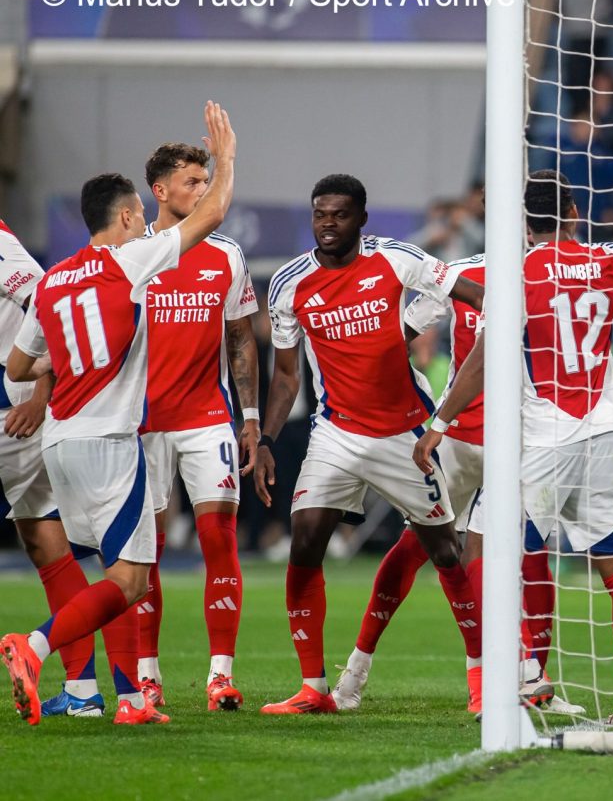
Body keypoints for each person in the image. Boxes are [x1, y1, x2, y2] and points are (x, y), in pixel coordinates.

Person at [1, 100, 237, 726]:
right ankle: (36, 645)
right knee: (131, 580)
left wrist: (65, 361)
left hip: (59, 443)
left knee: (111, 570)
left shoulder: (52, 281)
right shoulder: (130, 259)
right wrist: (228, 156)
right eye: (138, 218)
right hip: (111, 439)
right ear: (131, 215)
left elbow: (20, 368)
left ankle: (130, 700)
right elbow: (211, 213)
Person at [413, 169, 613, 724]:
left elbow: (481, 360)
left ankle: (521, 677)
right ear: (573, 211)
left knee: (497, 554)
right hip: (601, 430)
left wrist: (439, 423)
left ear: (524, 221)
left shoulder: (517, 274)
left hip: (541, 438)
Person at [254, 174, 485, 715]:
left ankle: (480, 680)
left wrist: (484, 327)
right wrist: (265, 438)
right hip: (335, 432)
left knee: (445, 552)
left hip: (404, 433)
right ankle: (314, 687)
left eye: (338, 214)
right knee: (304, 542)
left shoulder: (397, 259)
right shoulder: (289, 282)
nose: (327, 224)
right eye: (319, 214)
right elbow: (287, 376)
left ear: (361, 218)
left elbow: (469, 293)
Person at [332, 265, 581, 716]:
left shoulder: (466, 273)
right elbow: (397, 335)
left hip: (485, 440)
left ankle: (356, 677)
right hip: (487, 441)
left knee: (428, 548)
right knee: (511, 550)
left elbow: (398, 334)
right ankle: (520, 679)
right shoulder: (540, 275)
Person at [135, 142, 260, 711]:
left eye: (207, 180)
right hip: (142, 425)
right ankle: (147, 675)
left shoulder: (227, 255)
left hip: (208, 417)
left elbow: (241, 339)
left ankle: (220, 676)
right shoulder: (132, 255)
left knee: (218, 538)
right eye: (191, 182)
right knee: (146, 552)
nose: (203, 190)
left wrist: (251, 418)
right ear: (158, 191)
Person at [0, 218, 103, 718]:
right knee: (43, 540)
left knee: (49, 539)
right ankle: (83, 692)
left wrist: (41, 396)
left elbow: (49, 307)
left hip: (11, 413)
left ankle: (86, 688)